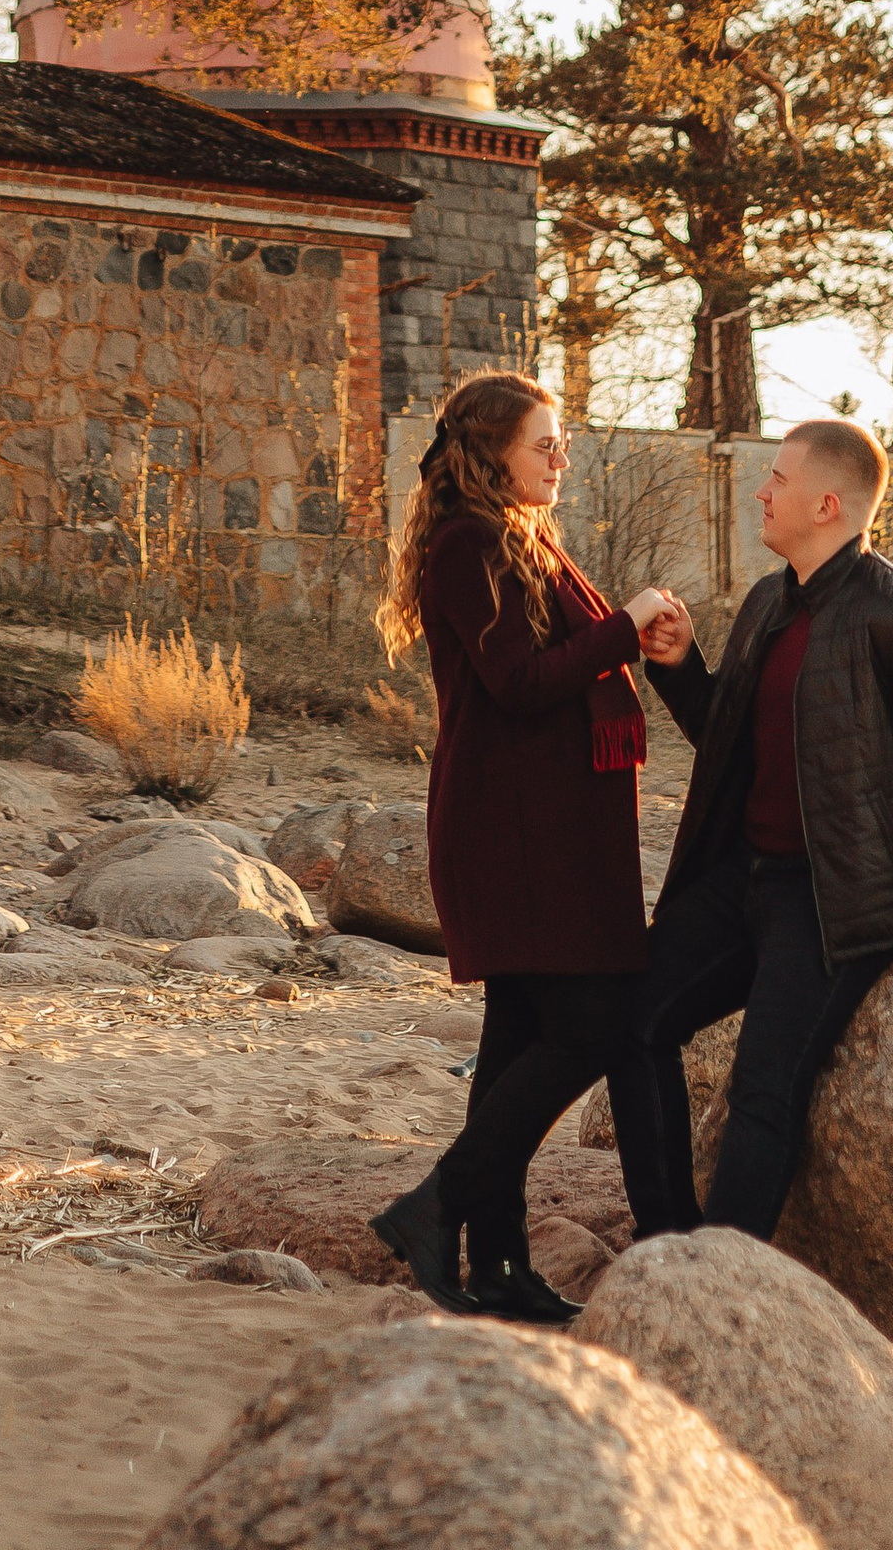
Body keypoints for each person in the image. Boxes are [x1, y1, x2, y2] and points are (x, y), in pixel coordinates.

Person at [629, 414, 893, 1239]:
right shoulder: (771, 600)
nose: (762, 491)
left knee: (764, 1091)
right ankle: (663, 1252)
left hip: (841, 902)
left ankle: (715, 1283)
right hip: (747, 879)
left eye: (778, 479)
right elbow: (732, 740)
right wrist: (680, 669)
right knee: (631, 1024)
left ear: (827, 505)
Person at [367, 369, 682, 1322]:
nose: (560, 455)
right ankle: (438, 1204)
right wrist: (620, 629)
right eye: (542, 441)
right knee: (587, 1031)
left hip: (557, 831)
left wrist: (635, 637)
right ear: (489, 450)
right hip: (517, 836)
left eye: (561, 442)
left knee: (512, 1051)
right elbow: (517, 682)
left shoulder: (525, 541)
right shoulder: (467, 545)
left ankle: (498, 1266)